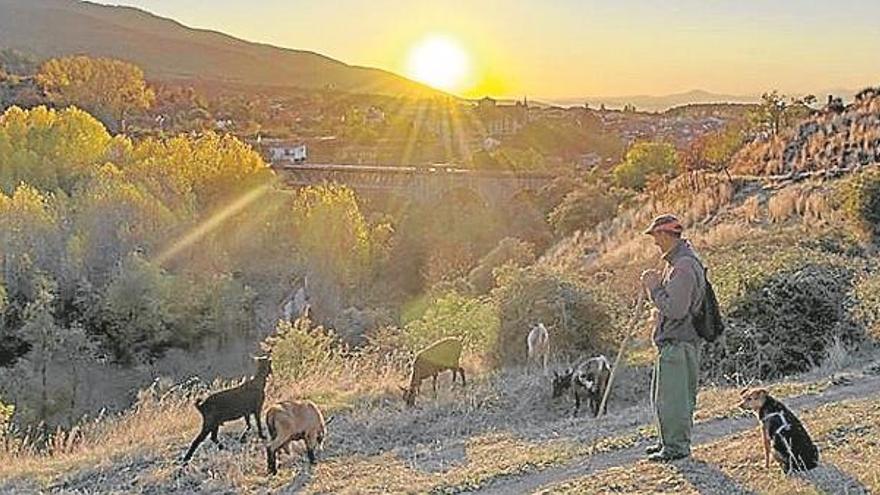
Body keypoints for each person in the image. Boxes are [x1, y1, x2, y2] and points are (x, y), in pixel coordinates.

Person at [640, 214, 705, 462]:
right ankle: (667, 443)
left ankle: (676, 448)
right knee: (664, 397)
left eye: (656, 236)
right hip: (674, 341)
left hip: (679, 342)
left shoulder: (683, 266)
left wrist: (654, 286)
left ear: (666, 235)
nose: (655, 242)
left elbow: (676, 309)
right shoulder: (676, 262)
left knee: (674, 399)